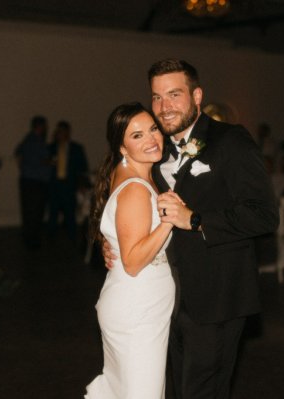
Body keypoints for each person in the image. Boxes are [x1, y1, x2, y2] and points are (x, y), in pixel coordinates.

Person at [105, 59, 278, 398]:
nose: (164, 108)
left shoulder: (231, 141)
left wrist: (196, 220)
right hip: (164, 300)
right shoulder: (155, 148)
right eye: (156, 98)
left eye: (173, 95)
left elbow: (264, 215)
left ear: (196, 95)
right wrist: (111, 240)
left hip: (216, 298)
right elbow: (122, 200)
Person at [85, 102, 178, 398]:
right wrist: (168, 221)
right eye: (137, 136)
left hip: (139, 306)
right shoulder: (136, 188)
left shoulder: (137, 175)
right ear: (122, 148)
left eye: (152, 129)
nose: (151, 139)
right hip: (137, 311)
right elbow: (133, 261)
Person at [47, 120, 89, 241]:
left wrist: (81, 185)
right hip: (54, 185)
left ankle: (72, 239)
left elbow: (82, 168)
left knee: (70, 214)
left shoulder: (76, 148)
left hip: (69, 186)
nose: (60, 133)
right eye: (58, 131)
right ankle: (51, 239)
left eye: (62, 131)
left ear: (67, 132)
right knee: (53, 214)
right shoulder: (51, 148)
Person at [14, 115, 52, 250]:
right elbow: (43, 159)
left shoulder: (27, 139)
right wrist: (53, 161)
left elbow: (17, 153)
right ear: (40, 126)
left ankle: (29, 239)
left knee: (29, 211)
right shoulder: (37, 141)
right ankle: (33, 241)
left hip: (27, 180)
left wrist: (24, 167)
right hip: (36, 182)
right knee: (36, 212)